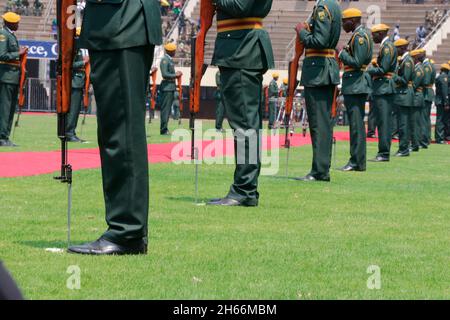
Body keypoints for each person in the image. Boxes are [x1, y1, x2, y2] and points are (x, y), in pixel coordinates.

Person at [68, 0, 162, 255]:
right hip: (116, 22)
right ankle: (127, 229)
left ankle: (127, 231)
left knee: (121, 132)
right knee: (117, 130)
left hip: (121, 20)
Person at [207, 0, 274, 207]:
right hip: (240, 47)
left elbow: (240, 5)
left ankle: (244, 190)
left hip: (241, 48)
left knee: (245, 125)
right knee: (245, 125)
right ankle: (245, 189)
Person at [293, 0, 342, 182]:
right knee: (324, 124)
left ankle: (319, 171)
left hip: (318, 71)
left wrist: (302, 31)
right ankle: (321, 167)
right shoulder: (334, 6)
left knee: (318, 124)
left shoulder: (323, 8)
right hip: (325, 69)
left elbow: (319, 41)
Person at [338, 8, 373, 172]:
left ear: (352, 20)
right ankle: (357, 161)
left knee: (356, 125)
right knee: (356, 125)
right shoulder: (360, 35)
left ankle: (356, 161)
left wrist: (341, 54)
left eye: (344, 21)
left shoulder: (359, 37)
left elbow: (357, 62)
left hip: (356, 84)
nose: (343, 25)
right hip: (356, 84)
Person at [367, 24, 398, 162]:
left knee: (384, 122)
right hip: (383, 87)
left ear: (380, 34)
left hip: (384, 87)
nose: (373, 37)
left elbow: (383, 69)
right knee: (383, 121)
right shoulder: (387, 46)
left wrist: (368, 70)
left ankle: (384, 153)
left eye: (374, 35)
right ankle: (383, 152)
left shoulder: (387, 47)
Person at [0, 12, 26, 147]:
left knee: (9, 109)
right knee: (5, 109)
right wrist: (19, 53)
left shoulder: (10, 35)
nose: (18, 24)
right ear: (10, 23)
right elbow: (2, 55)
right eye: (16, 22)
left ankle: (5, 136)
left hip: (12, 77)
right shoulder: (4, 35)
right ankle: (2, 137)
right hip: (6, 77)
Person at [393, 39, 415, 157]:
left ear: (401, 48)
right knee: (402, 123)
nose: (395, 51)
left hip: (404, 94)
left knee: (403, 124)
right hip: (403, 94)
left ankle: (404, 149)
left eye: (396, 49)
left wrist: (393, 76)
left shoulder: (407, 61)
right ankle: (403, 148)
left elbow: (405, 80)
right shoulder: (404, 60)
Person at [66, 27, 87, 143]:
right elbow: (70, 64)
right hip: (74, 82)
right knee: (73, 110)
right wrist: (84, 62)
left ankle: (71, 132)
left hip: (79, 82)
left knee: (75, 110)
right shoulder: (74, 48)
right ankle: (69, 133)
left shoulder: (78, 48)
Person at [159, 43, 181, 135]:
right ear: (170, 51)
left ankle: (165, 128)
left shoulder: (169, 60)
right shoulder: (165, 60)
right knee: (166, 109)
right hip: (167, 87)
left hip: (170, 87)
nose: (175, 52)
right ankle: (163, 130)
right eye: (174, 50)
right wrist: (175, 75)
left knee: (168, 110)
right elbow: (164, 74)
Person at [410, 49, 426, 153]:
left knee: (415, 122)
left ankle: (415, 144)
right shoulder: (417, 68)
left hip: (416, 97)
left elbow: (414, 85)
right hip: (417, 97)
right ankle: (416, 142)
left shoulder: (418, 69)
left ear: (415, 58)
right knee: (416, 122)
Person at [420, 54, 436, 148]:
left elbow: (425, 81)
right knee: (426, 118)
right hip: (428, 93)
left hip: (425, 93)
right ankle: (427, 138)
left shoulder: (426, 66)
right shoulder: (430, 65)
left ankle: (424, 140)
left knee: (423, 119)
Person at [434, 64, 449, 144]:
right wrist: (446, 102)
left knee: (440, 120)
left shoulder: (440, 76)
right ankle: (440, 138)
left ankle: (439, 137)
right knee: (441, 120)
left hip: (440, 100)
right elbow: (444, 90)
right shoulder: (444, 77)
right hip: (441, 101)